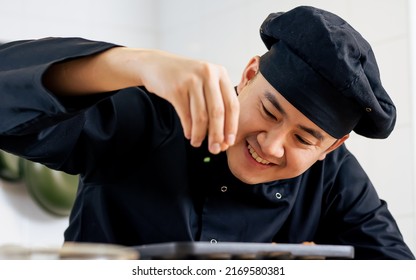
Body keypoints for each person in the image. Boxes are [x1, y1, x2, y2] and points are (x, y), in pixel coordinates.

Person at [0, 5, 414, 260]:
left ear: (332, 146)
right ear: (249, 76)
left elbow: (394, 267)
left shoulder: (335, 176)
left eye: (305, 139)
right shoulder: (154, 117)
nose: (270, 145)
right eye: (269, 110)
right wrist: (135, 64)